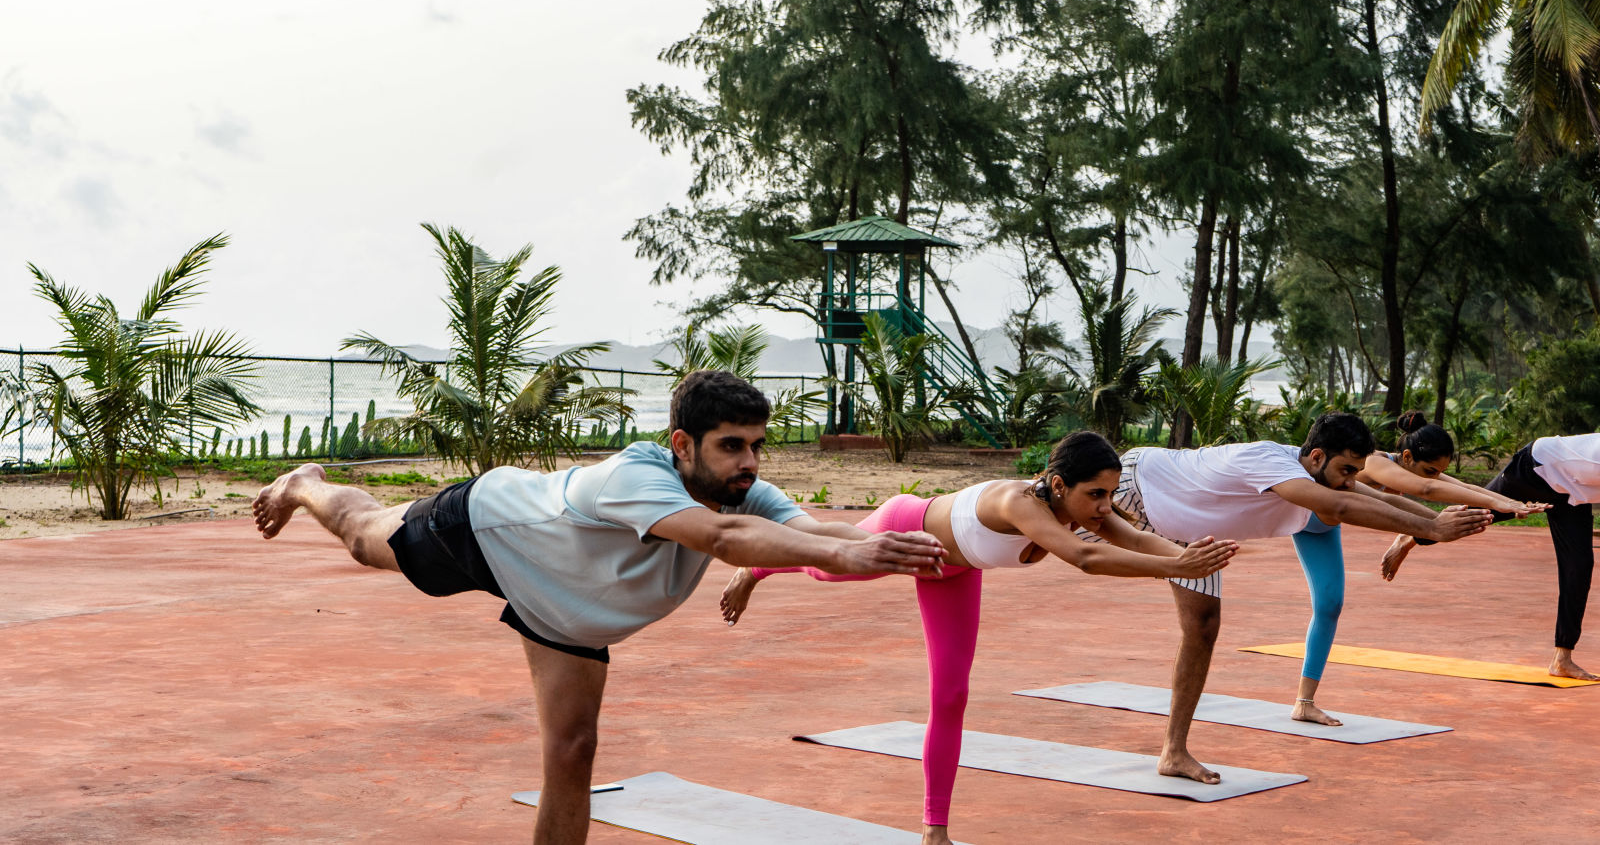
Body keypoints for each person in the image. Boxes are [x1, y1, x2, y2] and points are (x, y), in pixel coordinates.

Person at [249, 370, 949, 845]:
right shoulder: (633, 478)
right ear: (683, 445)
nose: (750, 463)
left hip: (565, 614)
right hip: (486, 532)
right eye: (731, 446)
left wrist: (917, 540)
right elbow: (725, 540)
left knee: (573, 751)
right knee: (364, 540)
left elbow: (820, 534)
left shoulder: (745, 494)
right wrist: (843, 555)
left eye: (757, 447)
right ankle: (308, 482)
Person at [718, 431, 1239, 845]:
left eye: (1108, 494)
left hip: (953, 573)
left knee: (950, 696)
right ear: (1059, 485)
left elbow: (1132, 538)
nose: (1104, 506)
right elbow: (1086, 559)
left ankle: (933, 831)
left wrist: (1183, 558)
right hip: (905, 530)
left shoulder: (1084, 511)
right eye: (1095, 494)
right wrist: (1171, 567)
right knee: (823, 569)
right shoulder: (1019, 503)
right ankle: (758, 567)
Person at [1071, 412, 1492, 784]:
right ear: (1315, 459)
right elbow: (1340, 507)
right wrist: (1433, 530)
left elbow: (1371, 497)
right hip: (1140, 486)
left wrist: (1438, 520)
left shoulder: (1320, 470)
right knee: (1035, 529)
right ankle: (1002, 511)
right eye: (1345, 470)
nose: (1350, 481)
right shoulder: (1270, 461)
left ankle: (1173, 753)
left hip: (1186, 531)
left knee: (1203, 627)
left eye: (1355, 472)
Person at [1285, 411, 1546, 726]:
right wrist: (1498, 506)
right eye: (1429, 470)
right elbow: (1427, 492)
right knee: (1422, 517)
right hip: (1310, 512)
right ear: (1406, 457)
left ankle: (1304, 702)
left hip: (1322, 527)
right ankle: (1406, 538)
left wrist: (1508, 503)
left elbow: (1457, 485)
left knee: (1330, 605)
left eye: (1438, 471)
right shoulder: (1378, 463)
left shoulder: (1412, 467)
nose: (1433, 476)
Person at [1382, 431, 1598, 680]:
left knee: (1579, 567)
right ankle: (1411, 536)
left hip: (1573, 492)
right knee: (1476, 515)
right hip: (1536, 467)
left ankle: (1562, 658)